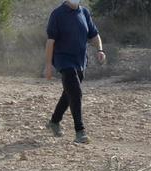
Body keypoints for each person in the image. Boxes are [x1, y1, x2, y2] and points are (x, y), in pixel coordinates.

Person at [44, 0, 106, 144]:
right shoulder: (57, 14)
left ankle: (54, 121)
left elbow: (94, 34)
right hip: (63, 60)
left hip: (80, 60)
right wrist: (48, 65)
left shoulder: (84, 12)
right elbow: (50, 42)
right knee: (76, 92)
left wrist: (100, 49)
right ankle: (80, 131)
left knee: (69, 92)